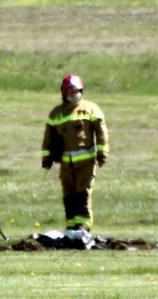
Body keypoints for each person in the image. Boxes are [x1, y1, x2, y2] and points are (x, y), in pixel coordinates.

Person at [41, 74, 109, 232]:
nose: (74, 93)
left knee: (82, 195)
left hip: (86, 163)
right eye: (70, 91)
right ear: (64, 92)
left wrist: (102, 153)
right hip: (66, 164)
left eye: (76, 90)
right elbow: (48, 137)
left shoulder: (90, 109)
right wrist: (47, 158)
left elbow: (101, 131)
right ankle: (71, 228)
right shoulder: (56, 113)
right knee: (69, 196)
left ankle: (83, 228)